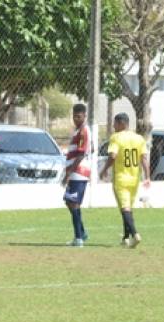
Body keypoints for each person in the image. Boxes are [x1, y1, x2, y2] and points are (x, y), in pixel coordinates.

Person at [99, 113, 150, 248]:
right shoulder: (139, 138)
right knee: (127, 208)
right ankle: (126, 238)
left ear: (122, 124)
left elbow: (113, 156)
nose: (113, 127)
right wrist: (148, 177)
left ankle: (135, 234)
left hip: (121, 179)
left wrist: (104, 170)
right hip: (135, 179)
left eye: (115, 124)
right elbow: (144, 158)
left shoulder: (116, 138)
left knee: (125, 208)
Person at [62, 103, 91, 247]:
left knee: (73, 203)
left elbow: (80, 154)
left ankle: (78, 238)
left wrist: (70, 172)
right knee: (69, 201)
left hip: (79, 172)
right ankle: (82, 232)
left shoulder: (84, 131)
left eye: (79, 116)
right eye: (74, 116)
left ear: (84, 116)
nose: (76, 119)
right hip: (74, 173)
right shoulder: (77, 130)